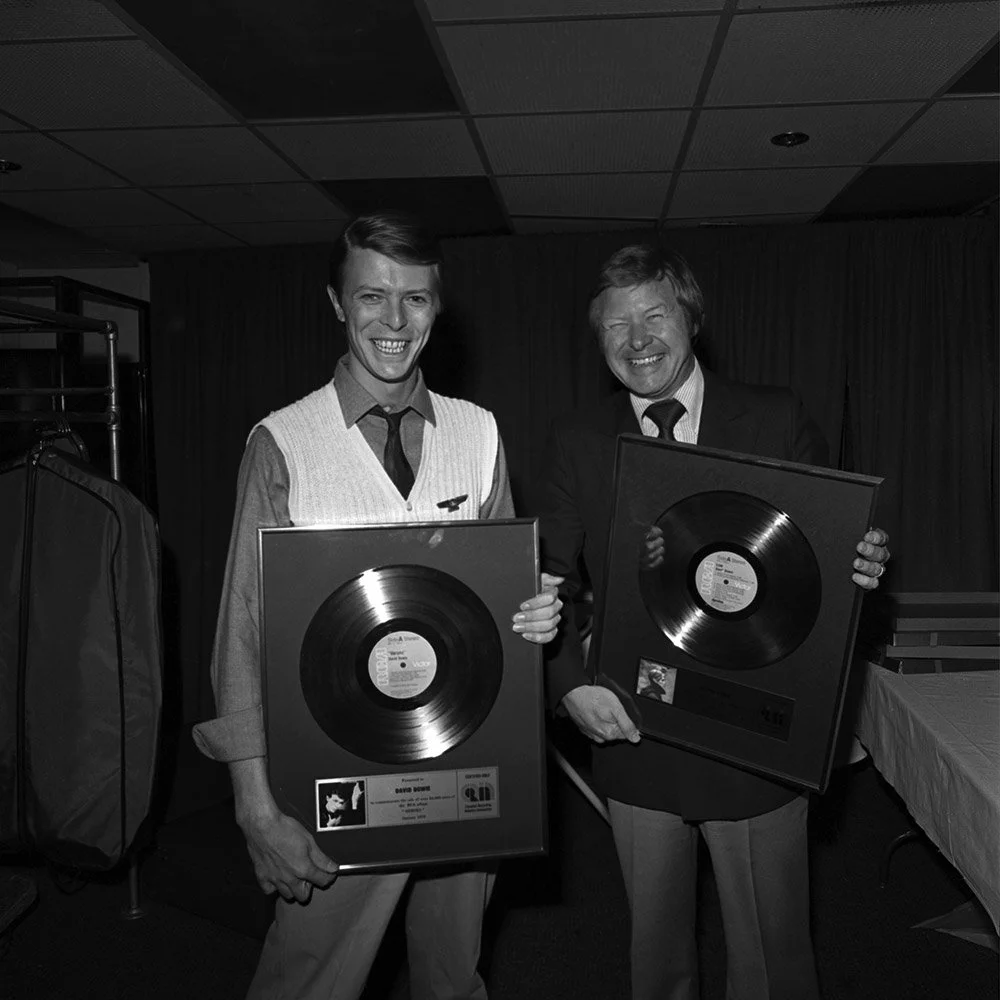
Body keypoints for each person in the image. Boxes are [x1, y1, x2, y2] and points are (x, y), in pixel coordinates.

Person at [192, 211, 562, 1000]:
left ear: (438, 309)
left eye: (417, 300)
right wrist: (254, 806)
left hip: (464, 760)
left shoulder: (479, 432)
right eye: (372, 297)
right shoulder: (282, 442)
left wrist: (536, 613)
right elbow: (242, 636)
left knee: (452, 976)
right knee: (308, 980)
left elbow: (498, 604)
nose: (394, 322)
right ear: (336, 302)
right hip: (337, 773)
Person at [539, 242, 890, 1000]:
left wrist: (861, 565)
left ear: (691, 317)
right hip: (635, 729)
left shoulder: (775, 416)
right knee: (655, 960)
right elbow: (549, 583)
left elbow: (821, 570)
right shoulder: (577, 440)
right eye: (616, 325)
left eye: (655, 314)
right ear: (597, 340)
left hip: (755, 740)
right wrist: (568, 687)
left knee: (774, 958)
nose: (638, 340)